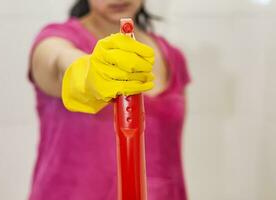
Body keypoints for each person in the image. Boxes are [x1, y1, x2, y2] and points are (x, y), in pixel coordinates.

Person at [28, 0, 191, 199]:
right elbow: (55, 61)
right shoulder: (56, 39)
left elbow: (170, 159)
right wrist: (87, 73)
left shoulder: (172, 57)